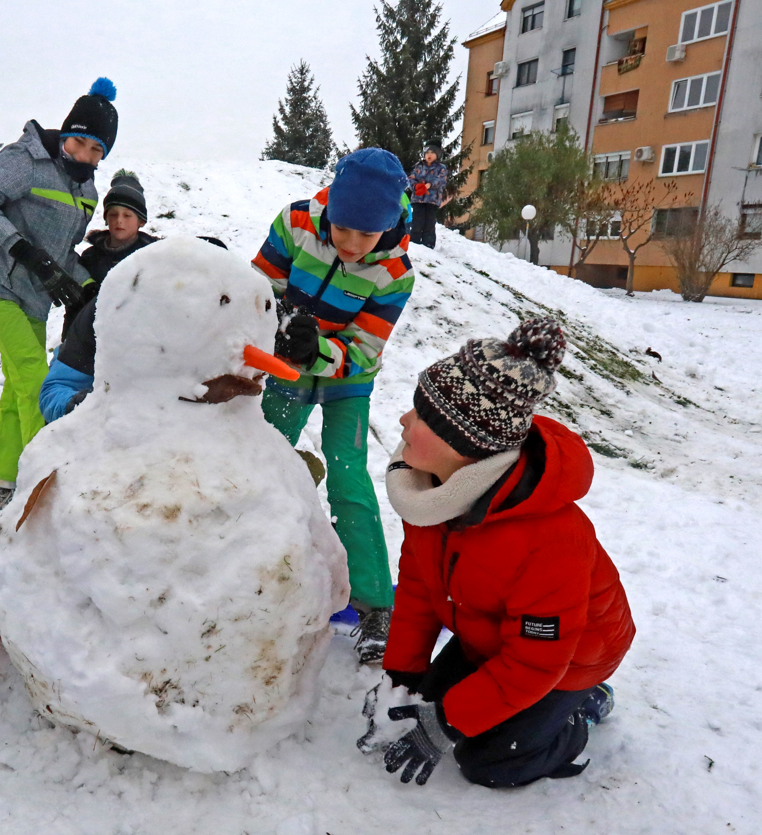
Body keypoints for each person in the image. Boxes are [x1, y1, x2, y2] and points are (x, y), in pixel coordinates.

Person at [375, 317, 635, 788]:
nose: (402, 421)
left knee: (490, 761)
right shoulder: (433, 495)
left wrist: (447, 724)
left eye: (420, 414)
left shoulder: (549, 540)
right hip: (490, 633)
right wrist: (401, 674)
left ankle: (578, 713)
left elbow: (536, 662)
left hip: (570, 658)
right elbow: (417, 587)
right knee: (419, 708)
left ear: (463, 443)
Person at [251, 147, 415, 664]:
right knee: (262, 460)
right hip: (286, 370)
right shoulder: (297, 221)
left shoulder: (395, 272)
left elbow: (365, 347)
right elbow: (259, 287)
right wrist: (280, 326)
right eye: (342, 229)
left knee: (349, 478)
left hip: (350, 379)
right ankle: (248, 568)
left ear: (387, 227)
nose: (349, 244)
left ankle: (374, 604)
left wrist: (317, 350)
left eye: (365, 236)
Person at [0, 77, 118, 516]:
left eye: (96, 151)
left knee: (16, 390)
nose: (85, 156)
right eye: (80, 144)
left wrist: (87, 286)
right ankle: (42, 487)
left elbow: (64, 251)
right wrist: (22, 249)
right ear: (66, 135)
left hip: (34, 296)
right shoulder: (26, 159)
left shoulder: (87, 190)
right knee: (33, 379)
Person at [40, 236, 228, 424]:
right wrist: (84, 404)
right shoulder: (109, 311)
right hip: (112, 434)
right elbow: (55, 390)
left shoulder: (235, 327)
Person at [63, 169, 158, 338]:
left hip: (141, 343)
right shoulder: (90, 258)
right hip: (93, 342)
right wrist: (68, 343)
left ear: (141, 221)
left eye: (127, 215)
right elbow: (75, 308)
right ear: (106, 218)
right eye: (113, 214)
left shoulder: (154, 257)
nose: (119, 220)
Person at [407, 140, 449, 249]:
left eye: (432, 153)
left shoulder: (441, 168)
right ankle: (414, 243)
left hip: (432, 200)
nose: (429, 155)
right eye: (427, 153)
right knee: (417, 221)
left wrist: (430, 185)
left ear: (437, 154)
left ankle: (428, 245)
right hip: (418, 199)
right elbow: (411, 179)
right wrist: (416, 186)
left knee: (429, 222)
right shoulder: (418, 166)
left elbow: (442, 181)